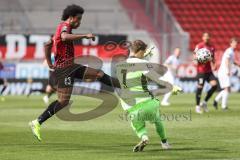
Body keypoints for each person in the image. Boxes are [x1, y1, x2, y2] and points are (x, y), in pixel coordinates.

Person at [29, 4, 119, 141]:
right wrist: (85, 35)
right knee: (63, 102)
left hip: (70, 66)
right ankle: (37, 122)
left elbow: (47, 44)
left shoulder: (59, 28)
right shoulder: (64, 27)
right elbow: (64, 37)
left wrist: (49, 62)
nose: (79, 22)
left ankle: (123, 86)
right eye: (78, 19)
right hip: (64, 70)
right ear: (71, 18)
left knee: (99, 74)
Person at [116, 40, 181, 152]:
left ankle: (144, 137)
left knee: (137, 124)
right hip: (147, 104)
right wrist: (172, 86)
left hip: (130, 107)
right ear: (141, 51)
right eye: (144, 51)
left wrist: (143, 56)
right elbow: (157, 78)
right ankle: (164, 142)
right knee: (157, 120)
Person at [194, 32, 218, 114]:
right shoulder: (199, 46)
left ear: (209, 37)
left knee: (215, 85)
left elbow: (213, 58)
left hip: (209, 71)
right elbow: (194, 58)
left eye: (208, 36)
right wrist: (199, 60)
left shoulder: (212, 47)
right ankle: (197, 107)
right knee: (200, 87)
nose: (206, 38)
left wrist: (214, 65)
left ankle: (204, 102)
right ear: (202, 37)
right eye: (205, 36)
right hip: (201, 71)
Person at [214, 38, 240, 110]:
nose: (236, 44)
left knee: (227, 89)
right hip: (224, 72)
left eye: (236, 43)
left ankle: (216, 101)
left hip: (223, 72)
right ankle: (223, 106)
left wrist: (237, 64)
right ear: (230, 43)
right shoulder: (229, 51)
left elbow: (231, 60)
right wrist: (228, 70)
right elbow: (227, 60)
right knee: (227, 89)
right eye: (234, 43)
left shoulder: (231, 51)